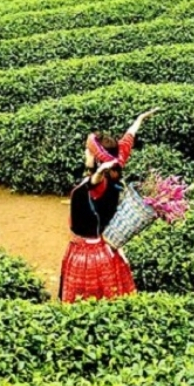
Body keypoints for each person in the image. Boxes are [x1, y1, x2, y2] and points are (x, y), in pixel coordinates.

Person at [59, 108, 159, 303]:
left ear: (97, 159)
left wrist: (98, 172)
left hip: (87, 254)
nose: (84, 154)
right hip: (107, 249)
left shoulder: (97, 184)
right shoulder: (116, 164)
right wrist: (139, 120)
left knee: (84, 304)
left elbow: (94, 182)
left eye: (88, 151)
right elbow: (126, 142)